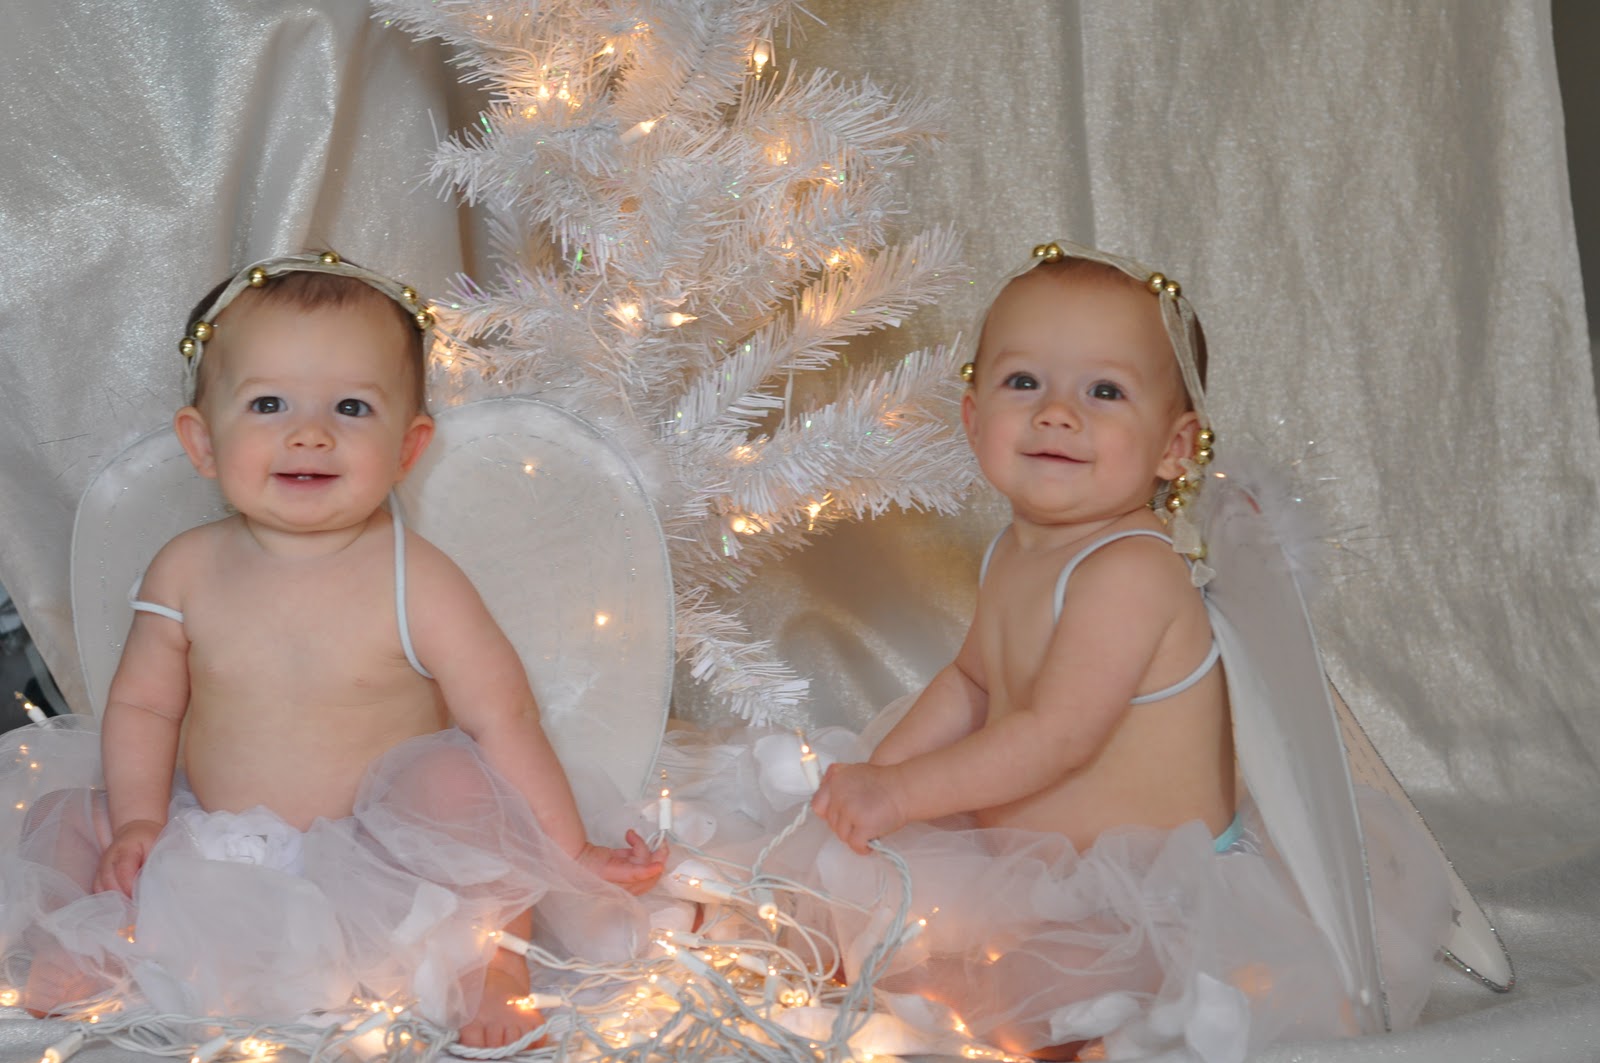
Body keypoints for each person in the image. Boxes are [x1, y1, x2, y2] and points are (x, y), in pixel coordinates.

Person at [1, 252, 664, 1049]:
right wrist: (140, 820)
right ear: (202, 442)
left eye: (352, 406)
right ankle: (85, 941)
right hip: (218, 837)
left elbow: (505, 717)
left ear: (409, 447)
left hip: (381, 850)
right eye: (268, 403)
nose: (309, 433)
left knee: (460, 786)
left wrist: (571, 849)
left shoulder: (418, 579)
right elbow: (144, 705)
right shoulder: (185, 569)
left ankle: (493, 965)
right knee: (66, 814)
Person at [805, 243, 1449, 1061]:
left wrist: (900, 792)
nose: (1056, 412)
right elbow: (972, 681)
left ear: (1175, 448)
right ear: (972, 418)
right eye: (1023, 381)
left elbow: (1055, 736)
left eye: (1104, 391)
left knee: (1028, 996)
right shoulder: (1015, 549)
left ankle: (1111, 1027)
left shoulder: (1131, 571)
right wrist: (881, 774)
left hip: (1151, 900)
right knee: (848, 893)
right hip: (1033, 871)